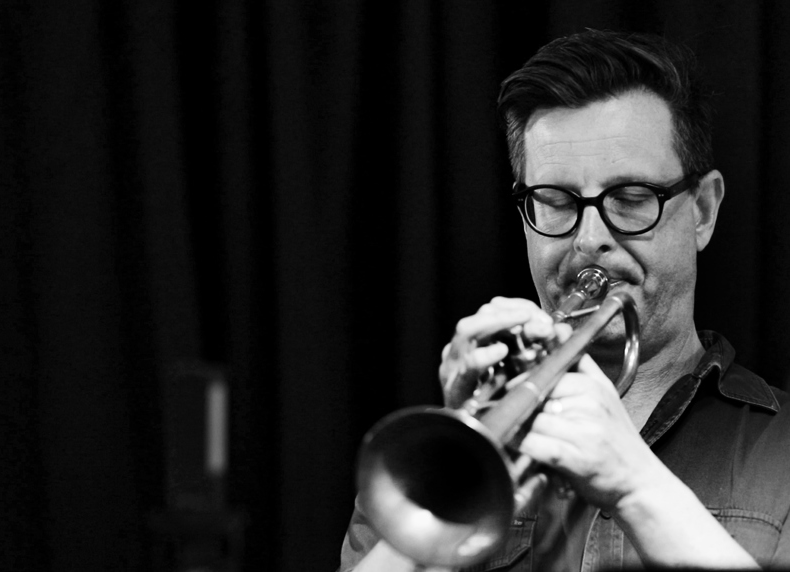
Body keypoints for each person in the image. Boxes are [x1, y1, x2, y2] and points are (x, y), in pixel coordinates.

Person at [338, 29, 790, 571]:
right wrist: (452, 478)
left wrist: (635, 484)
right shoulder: (429, 461)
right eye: (555, 201)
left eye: (629, 198)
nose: (588, 238)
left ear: (703, 210)